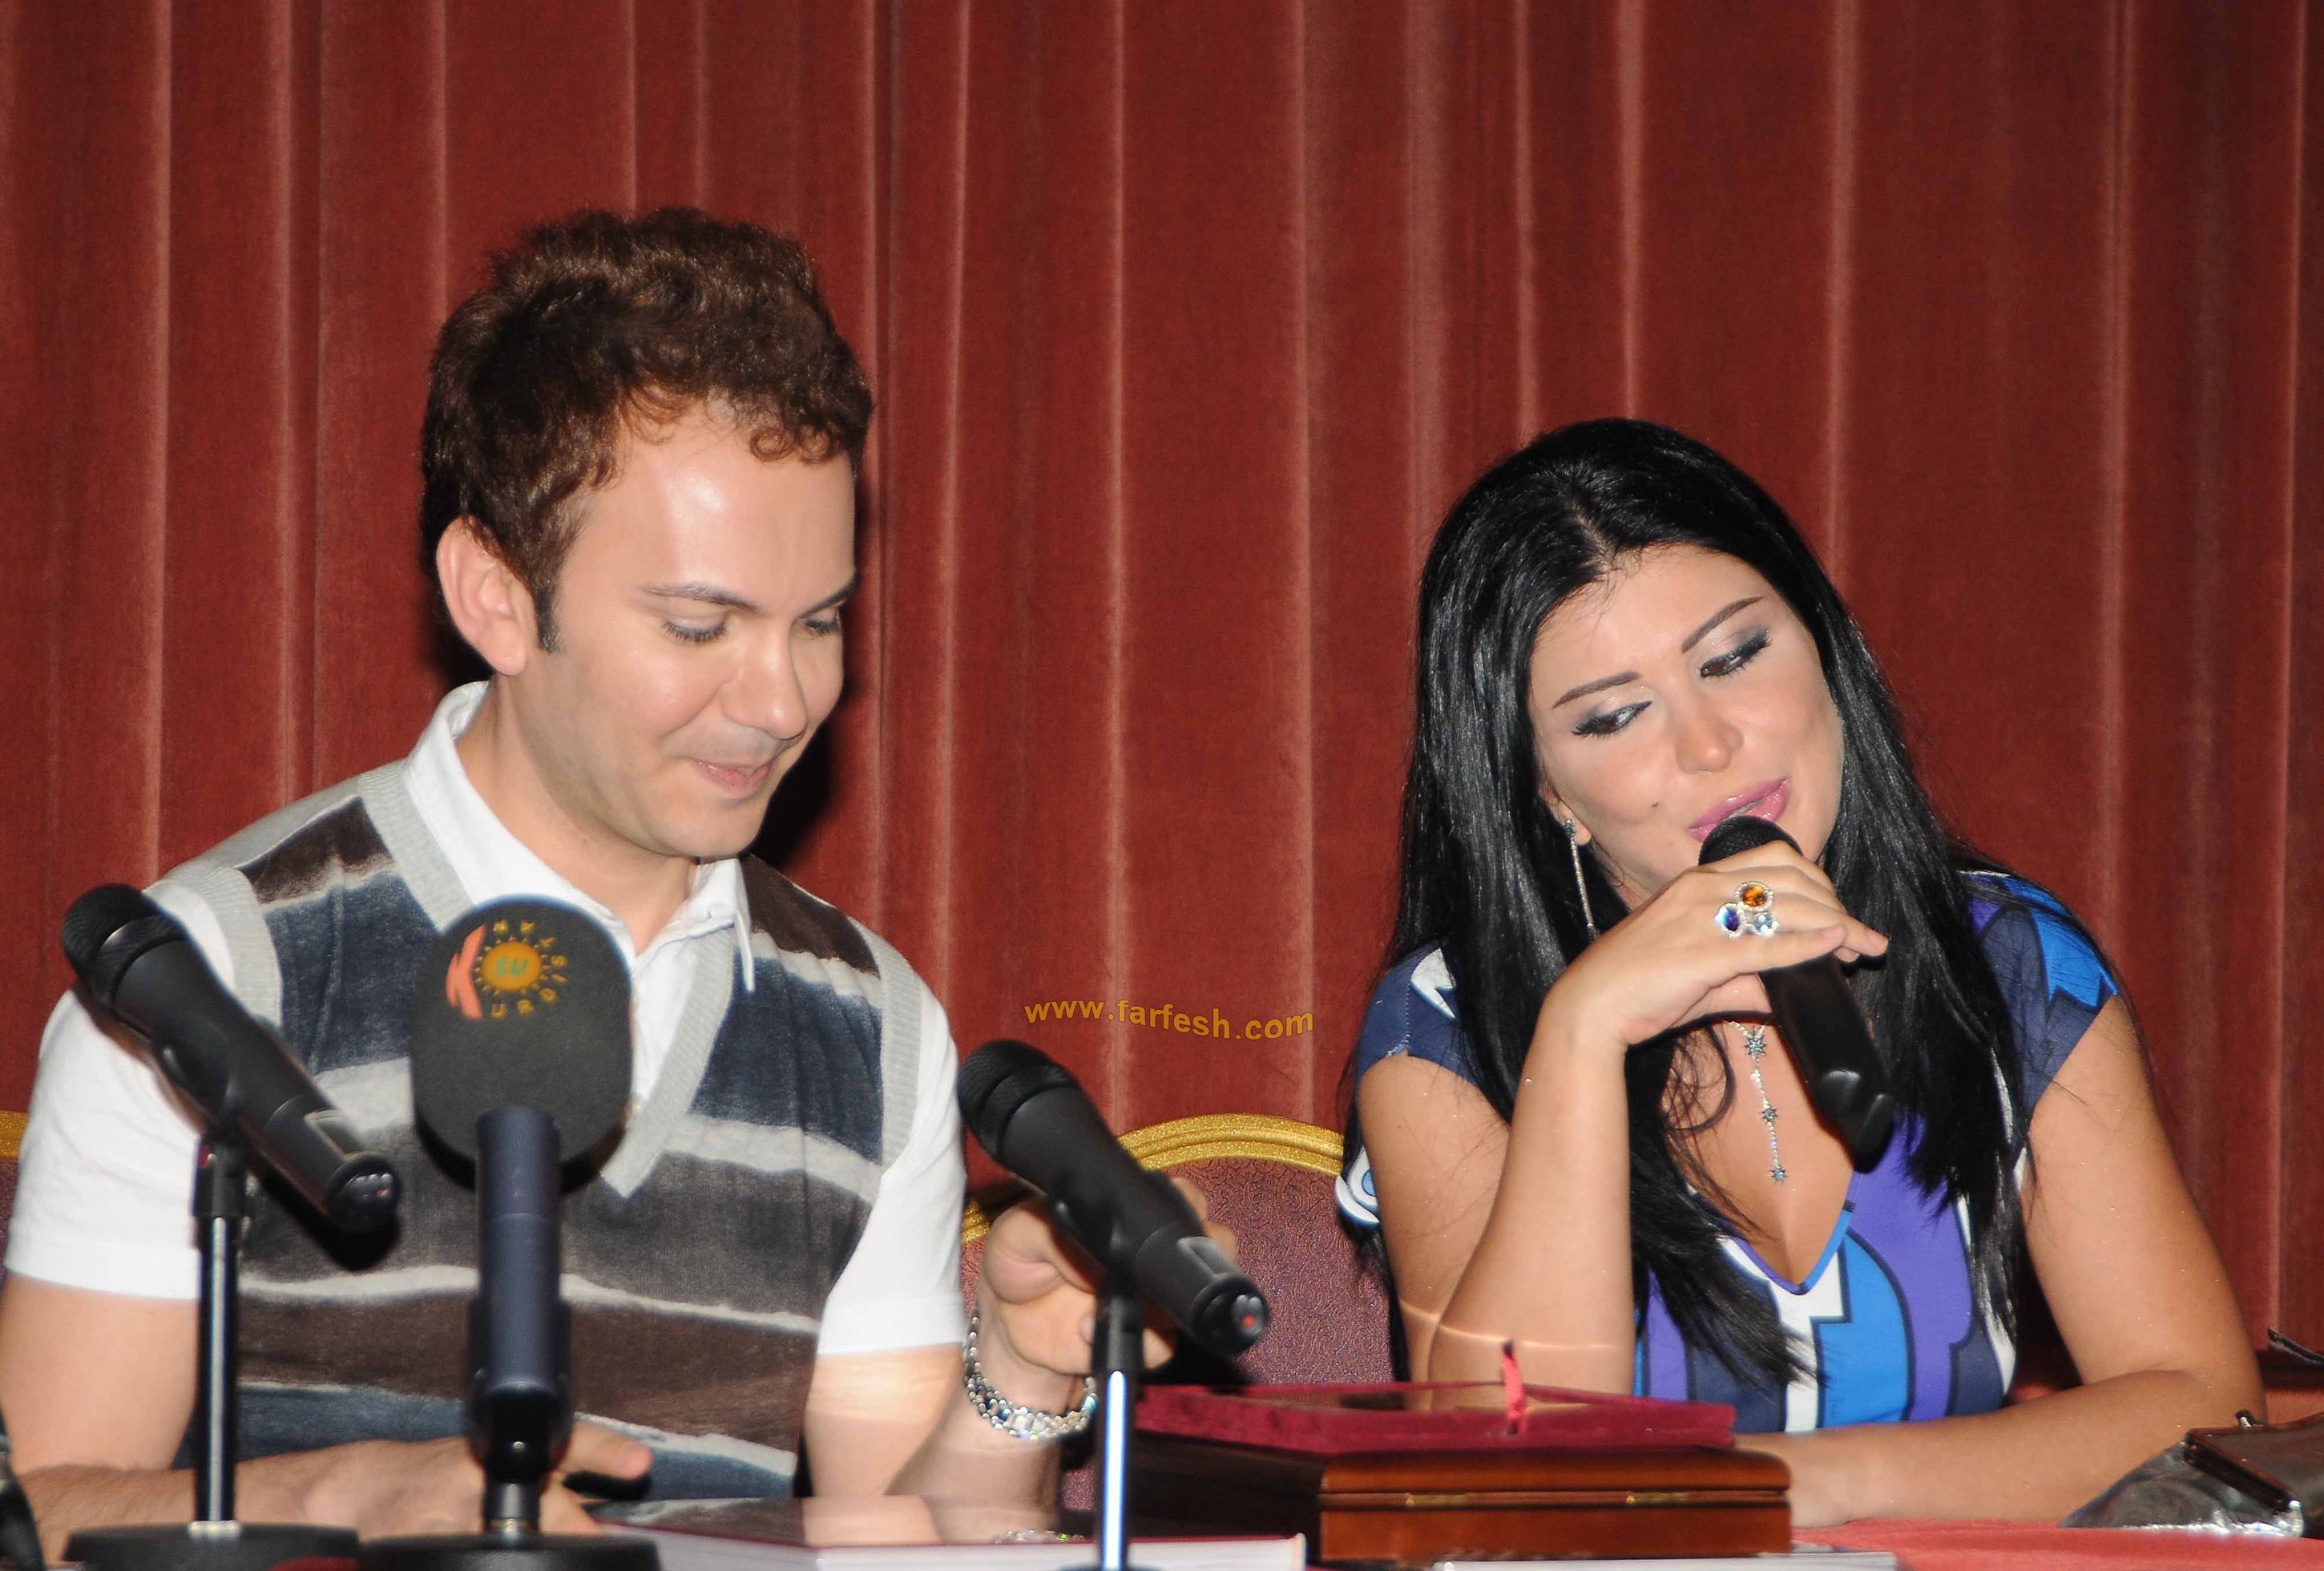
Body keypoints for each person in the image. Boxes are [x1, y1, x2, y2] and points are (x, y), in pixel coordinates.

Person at [0, 208, 1173, 1553]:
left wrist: (1020, 1374)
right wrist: (336, 1500)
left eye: (822, 622)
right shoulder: (207, 986)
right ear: (495, 596)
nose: (783, 699)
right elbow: (37, 1517)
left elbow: (894, 1540)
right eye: (700, 625)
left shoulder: (869, 1028)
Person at [1337, 418, 2261, 1525]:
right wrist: (1583, 1034)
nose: (1709, 745)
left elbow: (2201, 1405)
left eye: (1732, 659)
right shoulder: (1445, 1027)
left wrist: (1801, 1485)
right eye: (1616, 716)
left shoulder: (2009, 964)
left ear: (1823, 644)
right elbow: (1509, 1479)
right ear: (1549, 794)